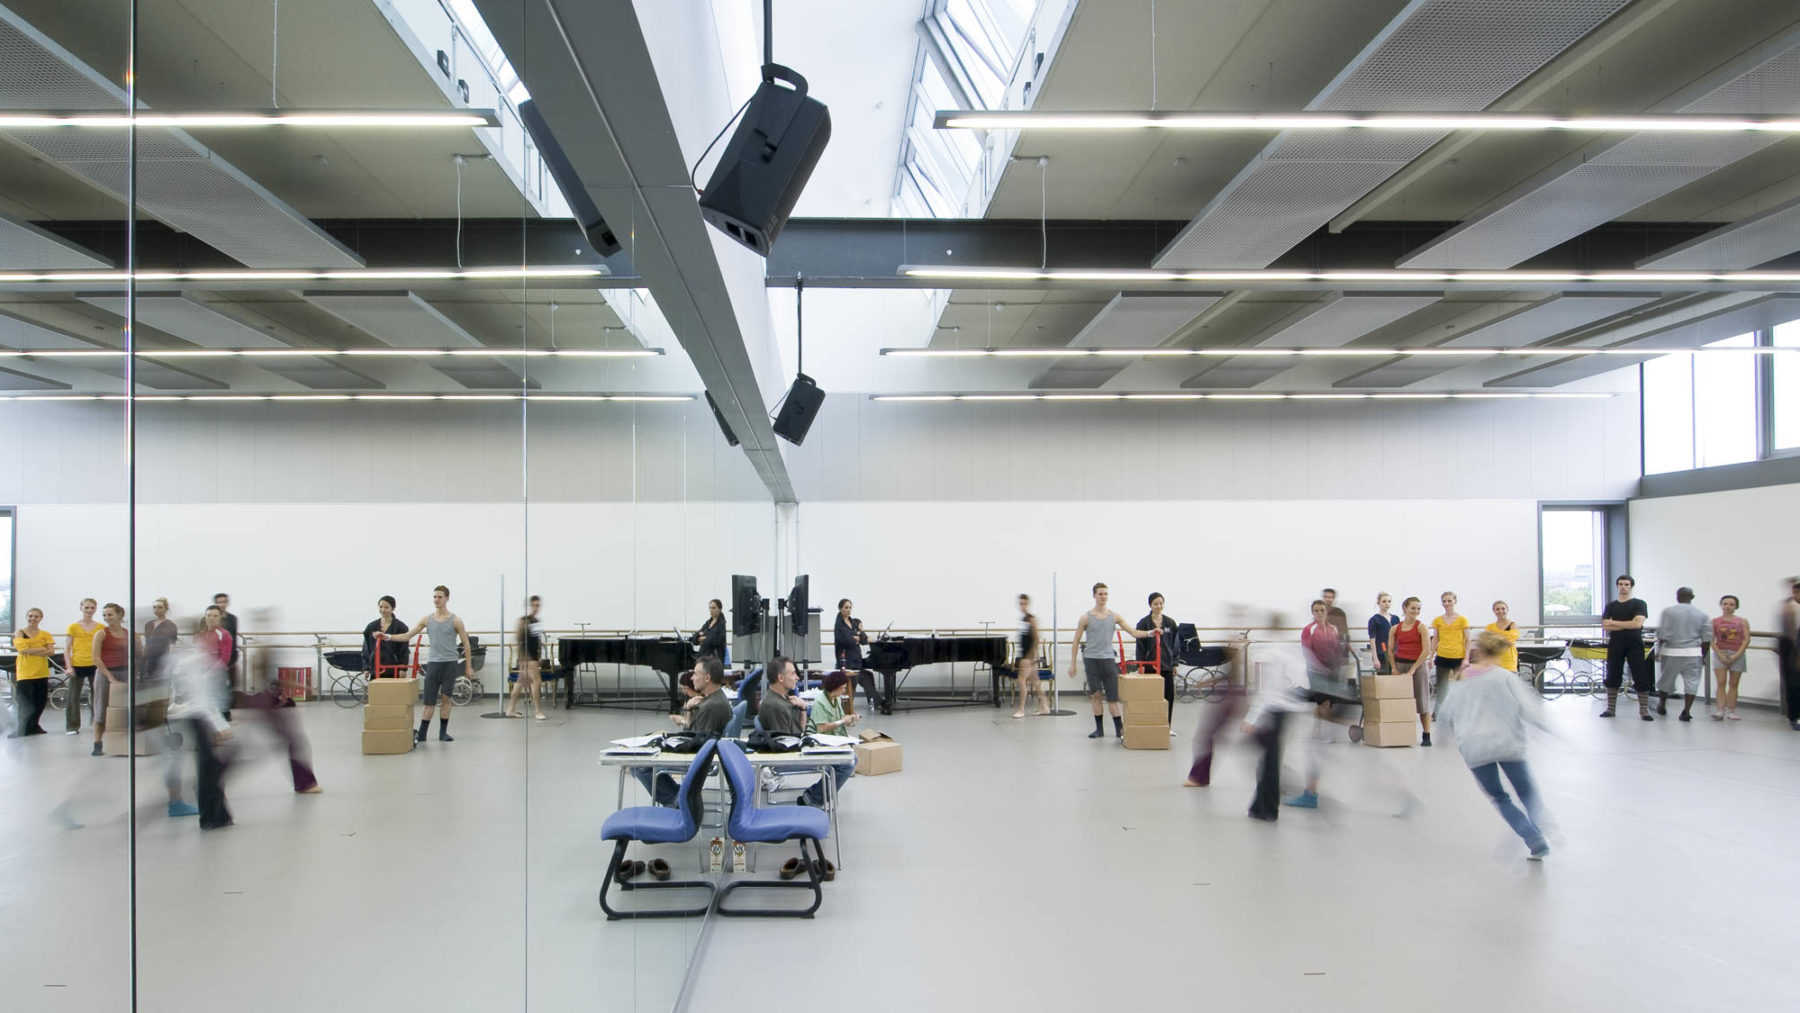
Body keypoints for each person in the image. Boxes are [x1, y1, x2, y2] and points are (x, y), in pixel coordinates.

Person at [1436, 632, 1552, 860]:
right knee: (1527, 792)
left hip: (1475, 747)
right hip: (1508, 743)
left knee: (1500, 797)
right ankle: (1540, 832)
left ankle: (1532, 837)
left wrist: (1442, 737)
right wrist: (1545, 729)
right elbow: (1528, 708)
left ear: (1478, 650)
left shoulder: (1460, 678)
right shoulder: (1505, 677)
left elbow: (1445, 712)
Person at [380, 585, 472, 744]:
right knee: (429, 701)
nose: (437, 600)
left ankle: (443, 732)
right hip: (434, 663)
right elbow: (408, 635)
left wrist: (468, 666)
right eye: (435, 597)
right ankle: (422, 733)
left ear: (447, 598)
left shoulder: (456, 620)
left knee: (446, 699)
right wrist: (387, 637)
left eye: (440, 597)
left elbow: (466, 644)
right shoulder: (427, 619)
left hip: (449, 663)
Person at [636, 656, 732, 807]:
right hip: (700, 752)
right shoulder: (713, 700)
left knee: (639, 764)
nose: (692, 678)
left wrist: (665, 744)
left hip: (698, 758)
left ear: (707, 678)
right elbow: (695, 735)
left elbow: (696, 743)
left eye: (695, 674)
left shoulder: (711, 707)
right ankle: (677, 796)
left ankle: (676, 799)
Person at [760, 657, 853, 808]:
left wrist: (803, 709)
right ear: (780, 678)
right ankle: (812, 798)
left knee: (848, 758)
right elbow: (788, 745)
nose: (797, 677)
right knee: (847, 764)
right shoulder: (774, 706)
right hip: (787, 756)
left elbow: (798, 733)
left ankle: (813, 797)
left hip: (796, 746)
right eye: (793, 674)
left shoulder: (784, 699)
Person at [1068, 583, 1157, 740]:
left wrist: (1151, 632)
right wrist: (1073, 664)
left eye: (1105, 594)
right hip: (1091, 660)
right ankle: (1099, 729)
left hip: (1108, 659)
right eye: (1100, 594)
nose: (1103, 597)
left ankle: (1119, 729)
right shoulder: (1085, 617)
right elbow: (1076, 641)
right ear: (1094, 596)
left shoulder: (1114, 616)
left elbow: (1133, 632)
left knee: (1112, 697)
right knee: (1095, 695)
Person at [1241, 635, 1314, 822]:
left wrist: (1252, 718)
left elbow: (1269, 692)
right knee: (1269, 760)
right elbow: (1300, 684)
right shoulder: (1292, 654)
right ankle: (1262, 807)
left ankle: (1267, 809)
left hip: (1275, 712)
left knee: (1269, 762)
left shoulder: (1273, 657)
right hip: (1284, 710)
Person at [166, 640, 235, 830]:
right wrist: (219, 725)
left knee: (209, 768)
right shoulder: (194, 664)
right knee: (209, 770)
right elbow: (200, 699)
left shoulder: (186, 662)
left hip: (188, 717)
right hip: (194, 718)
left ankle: (216, 815)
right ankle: (212, 817)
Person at [89, 603, 140, 757]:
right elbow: (96, 658)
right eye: (105, 615)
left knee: (125, 709)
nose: (107, 618)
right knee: (101, 709)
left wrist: (133, 675)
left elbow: (137, 656)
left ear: (119, 615)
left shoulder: (129, 634)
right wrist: (110, 677)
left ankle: (123, 743)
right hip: (105, 674)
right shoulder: (101, 634)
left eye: (110, 614)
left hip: (125, 672)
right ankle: (97, 743)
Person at [1654, 587, 1711, 721]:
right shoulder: (1702, 614)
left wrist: (1659, 651)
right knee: (1692, 682)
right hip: (1693, 652)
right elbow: (1707, 639)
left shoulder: (1668, 612)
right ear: (1692, 597)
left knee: (1666, 680)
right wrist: (1703, 656)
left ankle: (1662, 704)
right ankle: (1686, 710)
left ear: (1677, 597)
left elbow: (1663, 634)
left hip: (1672, 651)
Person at [1600, 575, 1652, 720]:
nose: (1623, 586)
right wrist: (1628, 624)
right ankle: (1610, 709)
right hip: (1616, 643)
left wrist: (1614, 623)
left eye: (1626, 584)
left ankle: (1644, 710)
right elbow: (1605, 625)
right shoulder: (1611, 606)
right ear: (1617, 586)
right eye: (1621, 584)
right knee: (1612, 674)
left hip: (1634, 643)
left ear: (1631, 586)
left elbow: (1637, 624)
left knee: (1640, 674)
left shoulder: (1639, 604)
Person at [1388, 597, 1434, 745]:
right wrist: (1394, 668)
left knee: (1422, 701)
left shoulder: (1421, 627)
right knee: (1400, 701)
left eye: (1418, 609)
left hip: (1418, 666)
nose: (1416, 611)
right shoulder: (1395, 628)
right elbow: (1390, 650)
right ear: (1405, 608)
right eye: (1413, 608)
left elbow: (1426, 650)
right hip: (1401, 665)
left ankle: (1426, 735)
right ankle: (1402, 733)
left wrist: (1413, 669)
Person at [1135, 592, 1179, 730]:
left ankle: (1167, 725)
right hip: (1150, 666)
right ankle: (1151, 723)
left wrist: (1175, 663)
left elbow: (1175, 644)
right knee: (1150, 696)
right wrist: (1140, 663)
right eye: (1155, 604)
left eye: (1161, 603)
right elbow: (1140, 645)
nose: (1158, 606)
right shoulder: (1143, 623)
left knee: (1169, 696)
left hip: (1166, 665)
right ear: (1150, 605)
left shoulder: (1170, 623)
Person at [10, 607, 55, 737]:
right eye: (30, 616)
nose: (33, 619)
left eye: (36, 616)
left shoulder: (45, 634)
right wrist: (41, 648)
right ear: (26, 617)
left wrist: (31, 647)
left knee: (40, 702)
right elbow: (22, 650)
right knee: (25, 702)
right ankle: (22, 728)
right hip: (25, 672)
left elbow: (51, 651)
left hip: (41, 672)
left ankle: (34, 726)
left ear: (41, 618)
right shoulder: (20, 632)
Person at [64, 598, 102, 734]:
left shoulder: (100, 627)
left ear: (96, 609)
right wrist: (69, 666)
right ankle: (72, 726)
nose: (89, 610)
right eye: (87, 607)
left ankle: (97, 722)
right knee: (73, 697)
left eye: (92, 608)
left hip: (95, 665)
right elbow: (67, 648)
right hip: (77, 664)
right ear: (81, 608)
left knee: (97, 695)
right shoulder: (73, 627)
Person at [835, 598, 881, 714]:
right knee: (851, 685)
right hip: (847, 661)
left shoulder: (853, 622)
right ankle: (846, 712)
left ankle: (876, 702)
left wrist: (859, 637)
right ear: (840, 609)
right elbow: (847, 641)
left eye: (850, 607)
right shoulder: (839, 624)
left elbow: (864, 639)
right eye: (846, 607)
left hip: (857, 660)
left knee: (868, 677)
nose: (848, 610)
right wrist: (857, 638)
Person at [506, 595, 548, 720]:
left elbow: (536, 640)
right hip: (528, 657)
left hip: (533, 656)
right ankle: (537, 710)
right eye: (534, 605)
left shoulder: (536, 621)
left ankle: (510, 709)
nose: (536, 608)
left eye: (538, 605)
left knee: (519, 684)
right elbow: (518, 639)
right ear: (529, 606)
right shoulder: (523, 621)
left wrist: (539, 654)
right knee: (536, 681)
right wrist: (522, 658)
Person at [1429, 591, 1469, 718]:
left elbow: (1468, 639)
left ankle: (1461, 713)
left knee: (1460, 686)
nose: (1447, 603)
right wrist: (1430, 656)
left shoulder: (1462, 620)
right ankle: (1437, 712)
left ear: (1455, 601)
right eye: (1444, 601)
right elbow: (1435, 639)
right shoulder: (1438, 620)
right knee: (1442, 686)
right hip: (1443, 655)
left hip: (1458, 656)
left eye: (1449, 601)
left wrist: (1466, 658)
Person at [1710, 594, 1750, 721]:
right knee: (1721, 682)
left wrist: (1736, 655)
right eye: (1725, 604)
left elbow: (1746, 639)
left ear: (1736, 606)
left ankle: (1731, 710)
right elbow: (1711, 640)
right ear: (1721, 605)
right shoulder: (1715, 621)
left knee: (1733, 683)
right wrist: (1720, 654)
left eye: (1731, 604)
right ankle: (1720, 710)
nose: (1728, 606)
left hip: (1737, 652)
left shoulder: (1742, 621)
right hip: (1720, 652)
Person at [1013, 594, 1048, 718]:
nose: (1022, 606)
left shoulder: (1031, 619)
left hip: (1027, 657)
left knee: (1021, 681)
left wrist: (1030, 657)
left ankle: (1021, 709)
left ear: (1028, 604)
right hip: (1025, 655)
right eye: (1020, 603)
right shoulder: (1023, 619)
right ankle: (1044, 706)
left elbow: (1036, 638)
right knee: (1036, 682)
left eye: (1024, 603)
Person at [362, 596, 410, 678]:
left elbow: (404, 650)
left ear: (393, 608)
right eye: (380, 607)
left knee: (392, 690)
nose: (383, 610)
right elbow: (366, 649)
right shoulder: (371, 626)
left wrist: (403, 668)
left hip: (393, 668)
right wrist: (366, 668)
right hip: (375, 667)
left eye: (386, 607)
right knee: (376, 690)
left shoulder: (401, 627)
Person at [213, 592, 240, 708]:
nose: (221, 604)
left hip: (229, 654)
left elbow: (233, 638)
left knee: (229, 682)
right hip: (215, 655)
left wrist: (232, 656)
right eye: (219, 602)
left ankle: (226, 708)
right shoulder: (211, 618)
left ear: (227, 603)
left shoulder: (232, 619)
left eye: (223, 602)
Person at [1780, 578, 1800, 731]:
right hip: (1791, 650)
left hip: (1793, 649)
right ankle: (1795, 716)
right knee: (1793, 685)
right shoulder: (1787, 608)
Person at [143, 597, 179, 682]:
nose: (156, 609)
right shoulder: (148, 625)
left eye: (160, 607)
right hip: (150, 659)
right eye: (154, 607)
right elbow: (146, 644)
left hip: (162, 658)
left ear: (166, 609)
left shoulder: (170, 625)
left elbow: (172, 646)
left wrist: (168, 664)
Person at [1366, 592, 1398, 675]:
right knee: (1384, 677)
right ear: (1378, 603)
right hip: (1381, 653)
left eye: (1389, 601)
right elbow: (1372, 640)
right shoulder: (1374, 620)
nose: (1387, 603)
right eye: (1384, 601)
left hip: (1395, 653)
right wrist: (1375, 658)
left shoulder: (1395, 618)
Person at [1485, 601, 1520, 673]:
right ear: (1494, 611)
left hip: (1509, 662)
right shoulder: (1489, 627)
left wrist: (1496, 637)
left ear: (1507, 610)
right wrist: (1504, 638)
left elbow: (1510, 642)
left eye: (1503, 609)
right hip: (1494, 663)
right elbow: (1488, 644)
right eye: (1497, 609)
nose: (1500, 611)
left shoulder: (1513, 625)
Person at [692, 598, 727, 663]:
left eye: (714, 608)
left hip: (714, 659)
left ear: (719, 609)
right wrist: (701, 638)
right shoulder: (708, 622)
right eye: (710, 608)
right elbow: (695, 638)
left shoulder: (721, 624)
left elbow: (714, 641)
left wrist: (702, 638)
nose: (711, 610)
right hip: (702, 656)